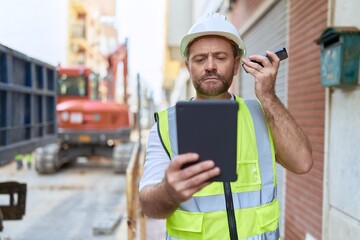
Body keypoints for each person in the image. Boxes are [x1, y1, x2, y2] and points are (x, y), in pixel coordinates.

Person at [139, 13, 313, 240]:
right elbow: (149, 206)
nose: (210, 66)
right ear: (188, 66)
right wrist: (168, 191)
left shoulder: (262, 114)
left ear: (237, 65)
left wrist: (268, 96)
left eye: (220, 57)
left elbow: (303, 162)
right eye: (200, 59)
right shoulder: (164, 127)